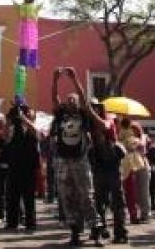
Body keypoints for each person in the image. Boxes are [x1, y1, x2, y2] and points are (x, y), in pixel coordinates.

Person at [52, 67, 105, 247]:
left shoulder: (83, 114)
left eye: (73, 99)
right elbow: (54, 99)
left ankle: (95, 230)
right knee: (67, 196)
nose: (71, 101)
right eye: (68, 100)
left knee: (86, 196)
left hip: (80, 160)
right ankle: (74, 231)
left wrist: (75, 80)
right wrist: (55, 80)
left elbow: (84, 99)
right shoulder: (60, 115)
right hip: (63, 160)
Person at [88, 101, 127, 243]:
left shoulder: (109, 118)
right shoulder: (88, 124)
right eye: (91, 107)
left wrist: (91, 113)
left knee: (117, 201)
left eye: (95, 106)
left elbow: (105, 125)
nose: (93, 109)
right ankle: (99, 230)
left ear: (100, 108)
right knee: (98, 201)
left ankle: (120, 232)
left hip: (112, 164)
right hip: (98, 164)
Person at [4, 99, 40, 232]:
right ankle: (12, 222)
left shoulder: (32, 125)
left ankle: (30, 223)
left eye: (27, 111)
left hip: (29, 166)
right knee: (12, 195)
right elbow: (6, 138)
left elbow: (35, 132)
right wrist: (8, 121)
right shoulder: (14, 125)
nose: (25, 113)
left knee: (29, 196)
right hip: (14, 164)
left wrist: (24, 117)